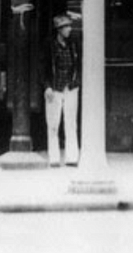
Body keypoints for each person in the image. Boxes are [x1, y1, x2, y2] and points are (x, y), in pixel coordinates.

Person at [42, 13, 80, 167]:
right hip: (55, 88)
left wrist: (76, 82)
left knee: (71, 122)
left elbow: (78, 64)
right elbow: (43, 67)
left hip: (70, 88)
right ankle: (54, 158)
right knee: (53, 123)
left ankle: (72, 158)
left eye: (70, 26)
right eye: (66, 27)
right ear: (59, 30)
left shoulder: (73, 44)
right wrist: (47, 86)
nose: (70, 29)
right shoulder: (49, 45)